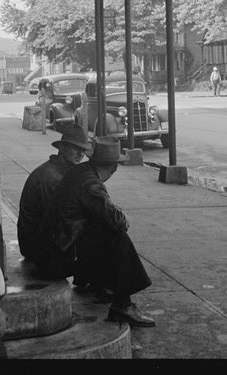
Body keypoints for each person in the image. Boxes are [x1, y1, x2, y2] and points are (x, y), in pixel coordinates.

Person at [42, 136, 156, 328]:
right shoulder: (90, 183)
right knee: (117, 237)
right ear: (113, 167)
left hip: (53, 246)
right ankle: (123, 304)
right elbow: (117, 220)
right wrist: (123, 216)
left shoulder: (81, 171)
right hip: (59, 256)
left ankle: (100, 284)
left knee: (101, 228)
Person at [17, 124, 91, 262]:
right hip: (37, 247)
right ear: (62, 148)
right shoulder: (51, 177)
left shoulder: (59, 171)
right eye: (76, 148)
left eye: (83, 150)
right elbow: (62, 218)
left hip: (39, 241)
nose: (81, 154)